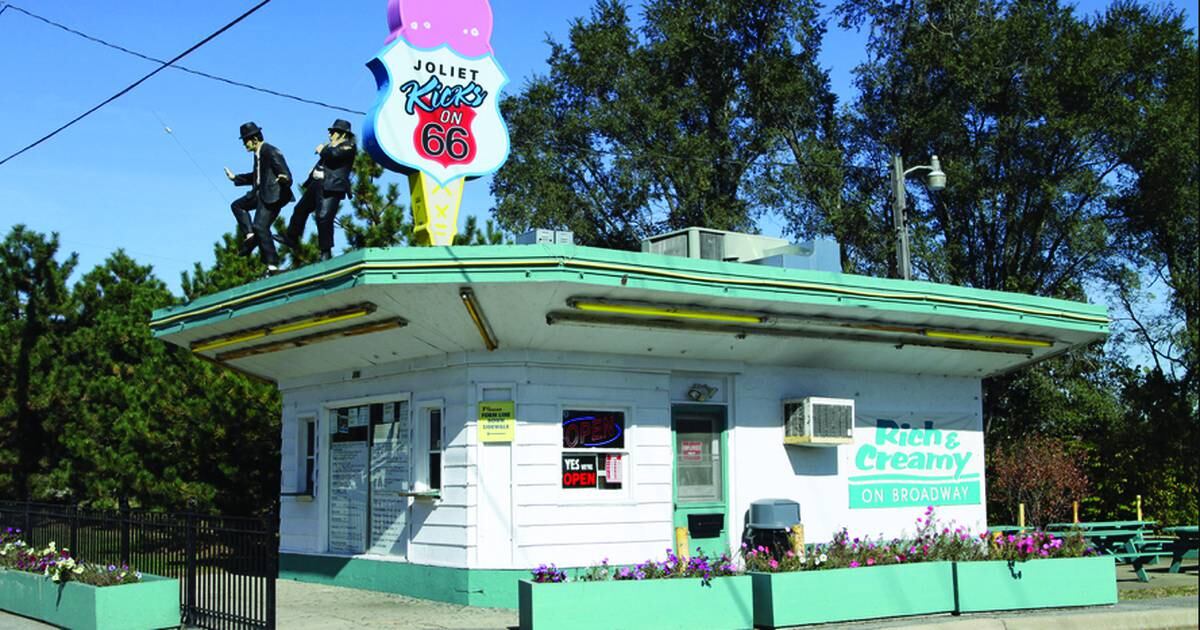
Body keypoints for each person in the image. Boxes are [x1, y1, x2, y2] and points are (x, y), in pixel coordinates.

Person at [278, 119, 358, 262]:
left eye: (333, 132)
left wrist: (323, 150)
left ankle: (325, 251)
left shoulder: (348, 146)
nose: (330, 134)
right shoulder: (331, 146)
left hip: (332, 187)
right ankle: (291, 237)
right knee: (300, 209)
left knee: (323, 217)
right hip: (317, 184)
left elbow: (333, 156)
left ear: (342, 134)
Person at [224, 122, 294, 273]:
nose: (244, 145)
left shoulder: (270, 151)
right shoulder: (258, 154)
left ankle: (273, 264)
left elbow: (286, 173)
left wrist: (284, 179)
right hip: (260, 193)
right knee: (237, 205)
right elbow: (256, 176)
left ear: (254, 139)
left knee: (260, 226)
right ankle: (250, 236)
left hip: (273, 195)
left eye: (245, 141)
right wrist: (235, 178)